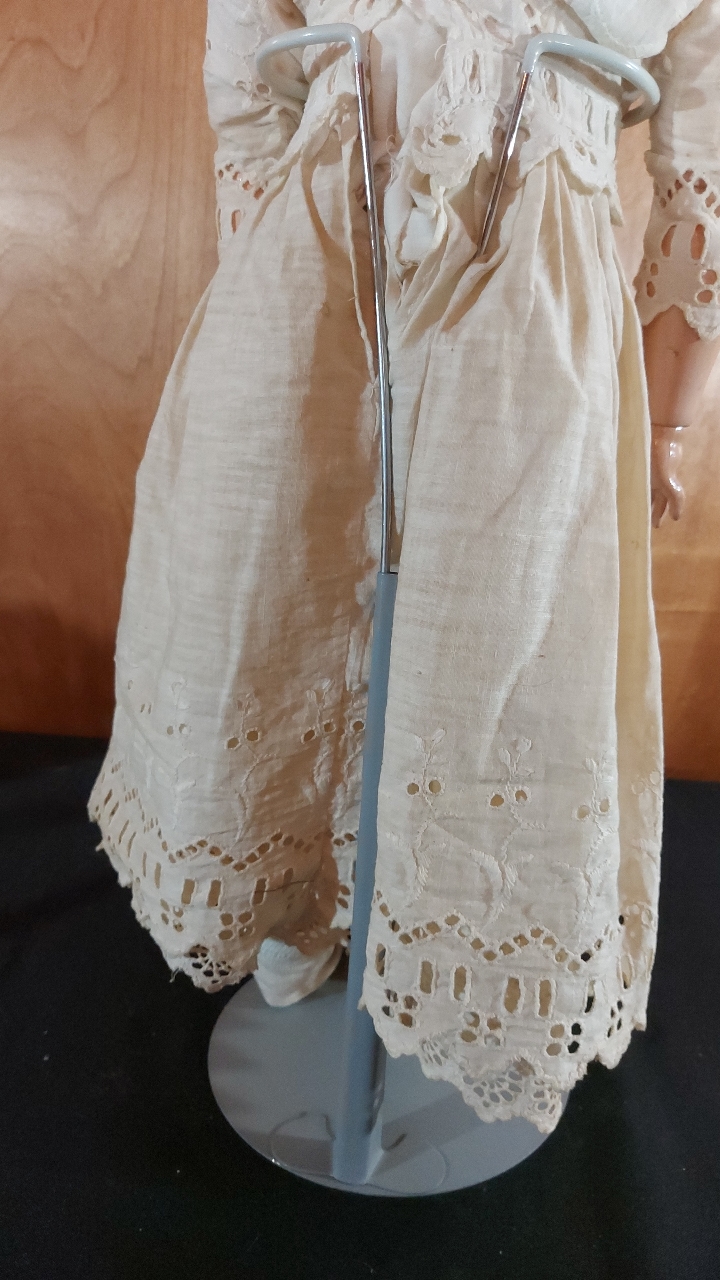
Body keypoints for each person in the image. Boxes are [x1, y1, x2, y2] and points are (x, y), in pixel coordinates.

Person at [90, 0, 720, 1130]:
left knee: (498, 645)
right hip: (313, 280)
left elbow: (705, 162)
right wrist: (262, 268)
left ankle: (451, 949)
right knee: (273, 593)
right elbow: (245, 78)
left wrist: (673, 419)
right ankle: (292, 892)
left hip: (537, 308)